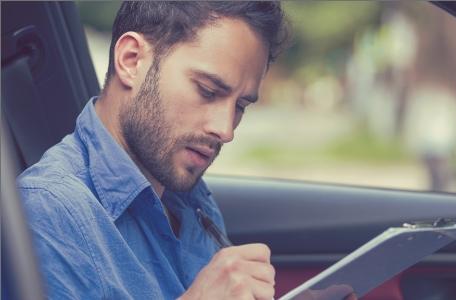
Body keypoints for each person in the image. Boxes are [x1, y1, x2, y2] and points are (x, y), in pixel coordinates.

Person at [17, 2, 290, 299]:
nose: (226, 130)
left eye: (240, 106)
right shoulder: (47, 213)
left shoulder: (186, 193)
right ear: (131, 60)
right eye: (207, 91)